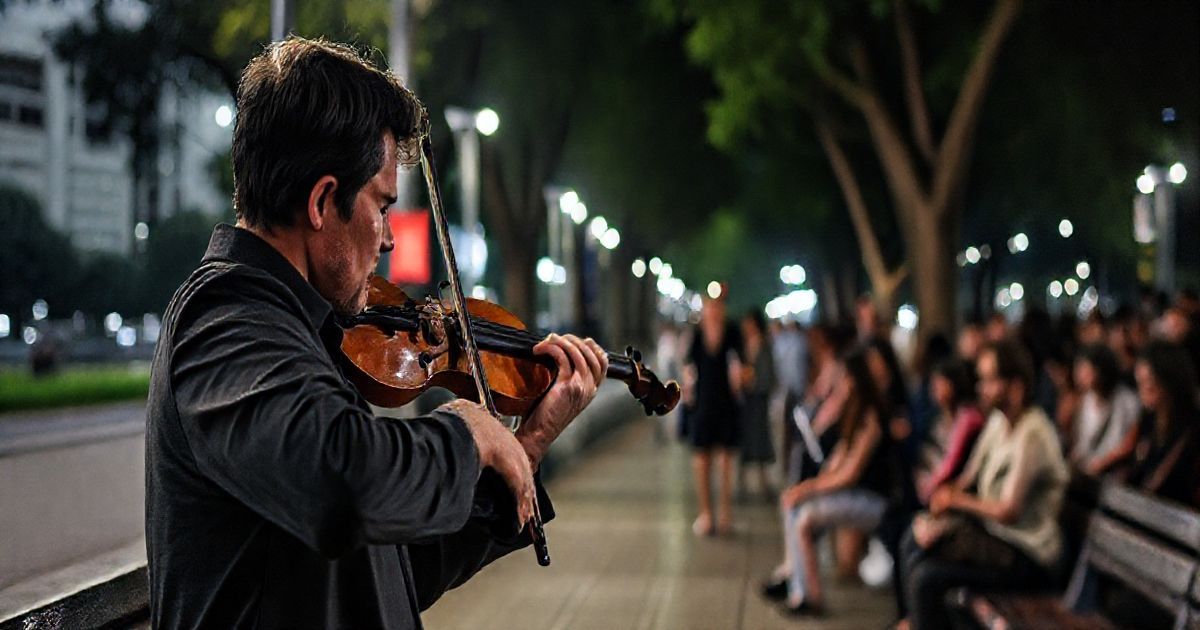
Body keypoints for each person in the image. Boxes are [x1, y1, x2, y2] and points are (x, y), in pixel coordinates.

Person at [144, 38, 610, 628]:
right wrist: (466, 432)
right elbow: (341, 484)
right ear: (321, 201)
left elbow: (389, 572)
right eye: (382, 206)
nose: (389, 239)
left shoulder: (305, 326)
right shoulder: (227, 315)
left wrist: (525, 445)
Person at [897, 340, 1069, 630]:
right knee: (913, 541)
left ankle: (913, 623)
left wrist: (955, 503)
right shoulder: (999, 423)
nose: (981, 388)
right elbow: (968, 480)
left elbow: (1008, 511)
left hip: (1028, 557)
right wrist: (942, 506)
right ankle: (912, 622)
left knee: (927, 577)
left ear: (1015, 386)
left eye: (990, 380)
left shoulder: (1033, 433)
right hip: (997, 542)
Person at [760, 349, 907, 617]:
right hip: (856, 496)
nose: (840, 384)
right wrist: (806, 489)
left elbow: (850, 473)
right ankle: (797, 585)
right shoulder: (854, 413)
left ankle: (807, 595)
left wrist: (808, 488)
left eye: (844, 378)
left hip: (877, 503)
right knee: (794, 506)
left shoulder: (871, 416)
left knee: (804, 517)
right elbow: (835, 465)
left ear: (855, 379)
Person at [1091, 340, 1200, 506]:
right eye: (1139, 383)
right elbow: (1122, 452)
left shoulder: (1192, 428)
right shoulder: (1149, 419)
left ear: (1168, 381)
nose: (1141, 391)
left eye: (1148, 383)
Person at [682, 289, 742, 535]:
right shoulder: (696, 336)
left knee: (726, 461)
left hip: (726, 403)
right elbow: (688, 365)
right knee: (701, 460)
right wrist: (687, 388)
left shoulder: (732, 333)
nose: (714, 312)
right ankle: (706, 513)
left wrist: (740, 377)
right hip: (703, 404)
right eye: (710, 308)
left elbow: (742, 364)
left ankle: (725, 513)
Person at [1066, 344, 1140, 475]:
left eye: (1085, 369)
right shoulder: (1085, 400)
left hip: (1114, 473)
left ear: (1101, 370)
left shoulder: (1127, 401)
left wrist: (1101, 464)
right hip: (1089, 472)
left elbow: (1128, 443)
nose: (1079, 375)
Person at [738, 309, 776, 501]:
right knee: (743, 441)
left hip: (758, 399)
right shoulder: (743, 345)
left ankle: (764, 483)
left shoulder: (764, 344)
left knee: (760, 438)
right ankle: (741, 484)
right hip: (745, 400)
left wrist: (756, 383)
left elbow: (769, 373)